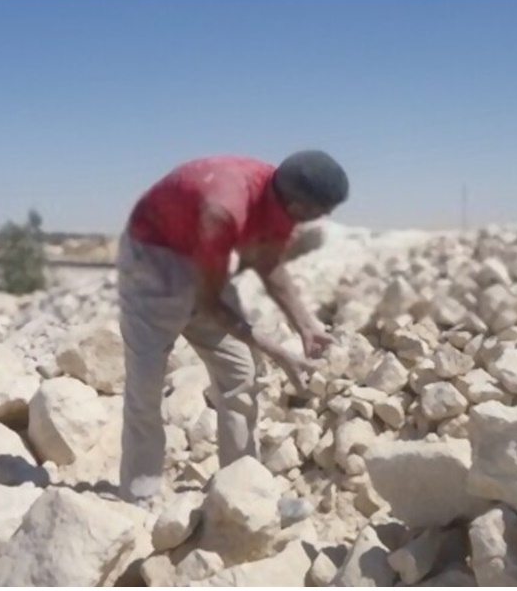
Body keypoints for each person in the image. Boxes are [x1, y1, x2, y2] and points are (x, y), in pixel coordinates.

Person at [116, 150, 349, 505]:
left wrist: (305, 324)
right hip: (154, 262)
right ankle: (139, 495)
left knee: (240, 373)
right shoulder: (225, 208)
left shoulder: (280, 198)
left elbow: (268, 264)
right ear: (299, 205)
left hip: (204, 258)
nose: (327, 216)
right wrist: (277, 351)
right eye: (322, 209)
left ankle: (240, 489)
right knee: (145, 387)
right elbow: (210, 306)